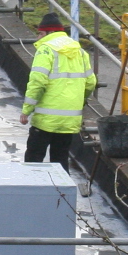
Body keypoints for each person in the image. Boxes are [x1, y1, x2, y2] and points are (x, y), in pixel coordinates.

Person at [20, 12, 96, 164]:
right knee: (60, 161)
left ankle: (37, 187)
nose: (38, 38)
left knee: (33, 162)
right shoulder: (80, 51)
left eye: (40, 33)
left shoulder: (45, 50)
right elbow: (91, 83)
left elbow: (37, 82)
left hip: (45, 119)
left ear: (50, 32)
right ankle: (62, 188)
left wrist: (26, 110)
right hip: (69, 119)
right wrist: (79, 103)